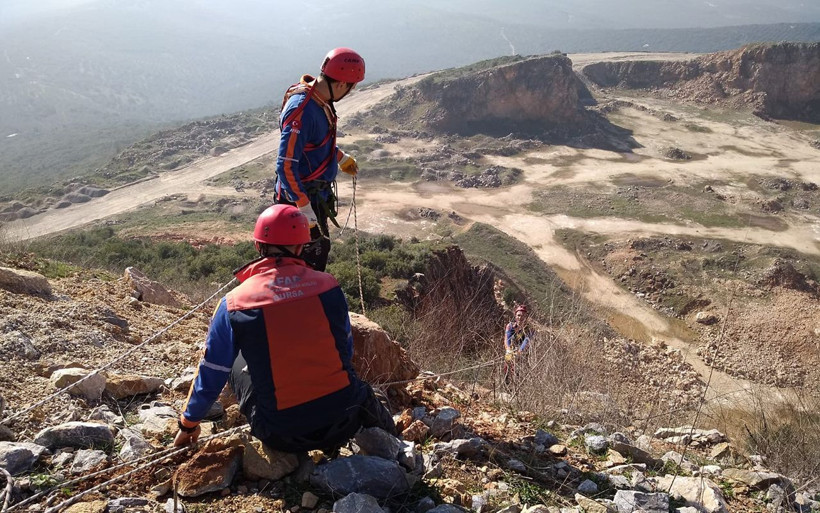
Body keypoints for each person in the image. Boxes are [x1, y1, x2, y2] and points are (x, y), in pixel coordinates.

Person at [174, 204, 395, 452]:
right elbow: (345, 349)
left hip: (280, 433)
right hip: (345, 419)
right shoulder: (329, 286)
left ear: (258, 246)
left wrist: (189, 424)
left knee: (233, 356)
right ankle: (397, 447)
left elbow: (212, 370)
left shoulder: (235, 303)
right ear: (301, 247)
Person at [273, 47, 366, 272]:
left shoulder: (319, 100)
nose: (350, 92)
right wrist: (303, 207)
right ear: (342, 84)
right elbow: (285, 165)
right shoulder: (303, 110)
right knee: (305, 265)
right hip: (300, 201)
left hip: (311, 198)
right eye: (351, 88)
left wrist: (340, 157)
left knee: (317, 253)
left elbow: (313, 143)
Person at [503, 304, 534, 385]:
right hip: (511, 350)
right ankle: (507, 384)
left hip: (523, 353)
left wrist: (519, 352)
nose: (520, 318)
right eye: (519, 315)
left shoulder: (530, 329)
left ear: (526, 317)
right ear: (515, 315)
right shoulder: (510, 326)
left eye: (523, 316)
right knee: (507, 365)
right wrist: (509, 350)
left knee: (520, 371)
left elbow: (526, 341)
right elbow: (507, 338)